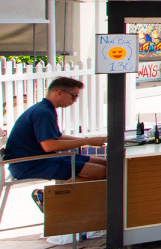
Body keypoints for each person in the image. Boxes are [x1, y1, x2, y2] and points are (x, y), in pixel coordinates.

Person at [2, 78, 106, 211]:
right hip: (30, 164)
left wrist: (91, 140)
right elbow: (49, 146)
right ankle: (48, 198)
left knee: (106, 164)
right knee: (101, 172)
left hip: (41, 159)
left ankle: (53, 199)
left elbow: (58, 137)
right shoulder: (43, 112)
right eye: (73, 96)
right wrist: (87, 142)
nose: (74, 100)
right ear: (59, 93)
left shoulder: (45, 109)